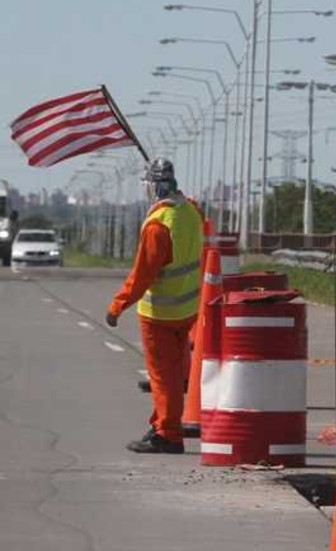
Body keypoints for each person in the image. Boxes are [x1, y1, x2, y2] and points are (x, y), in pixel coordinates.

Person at [105, 158, 204, 454]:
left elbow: (142, 274)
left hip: (159, 315)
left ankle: (168, 434)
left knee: (163, 377)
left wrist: (117, 305)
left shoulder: (158, 226)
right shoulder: (191, 212)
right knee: (173, 374)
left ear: (155, 187)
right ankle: (162, 422)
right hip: (187, 310)